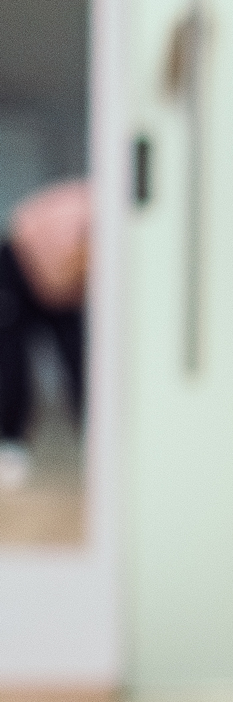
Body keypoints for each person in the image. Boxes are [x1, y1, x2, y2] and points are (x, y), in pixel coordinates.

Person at [0, 177, 89, 489]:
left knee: (81, 362)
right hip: (20, 272)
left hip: (67, 291)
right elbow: (20, 226)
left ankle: (96, 440)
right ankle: (10, 445)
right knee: (11, 363)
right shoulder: (76, 209)